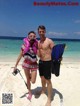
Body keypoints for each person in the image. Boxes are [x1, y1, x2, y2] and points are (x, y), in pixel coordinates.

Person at [13, 31, 38, 100]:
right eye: (30, 36)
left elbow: (41, 53)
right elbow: (20, 55)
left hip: (34, 65)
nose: (32, 37)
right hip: (26, 64)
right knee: (27, 79)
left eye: (33, 36)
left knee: (33, 81)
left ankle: (30, 76)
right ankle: (29, 92)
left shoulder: (37, 45)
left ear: (35, 37)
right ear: (28, 37)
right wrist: (15, 65)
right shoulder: (24, 46)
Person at [37, 25, 54, 106]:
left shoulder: (49, 41)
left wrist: (59, 59)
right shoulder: (38, 42)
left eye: (42, 31)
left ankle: (49, 99)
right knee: (42, 77)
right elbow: (38, 54)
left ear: (45, 31)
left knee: (48, 80)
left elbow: (55, 52)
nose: (41, 33)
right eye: (40, 31)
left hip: (48, 62)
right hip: (41, 62)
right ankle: (43, 90)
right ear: (38, 32)